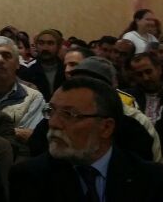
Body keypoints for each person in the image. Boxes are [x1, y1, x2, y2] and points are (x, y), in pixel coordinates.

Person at [9, 76, 163, 202]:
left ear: (106, 127)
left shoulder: (150, 179)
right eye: (51, 111)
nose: (54, 123)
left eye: (69, 114)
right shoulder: (28, 178)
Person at [0, 36, 45, 141]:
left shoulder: (33, 97)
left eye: (6, 55)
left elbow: (32, 137)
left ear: (17, 64)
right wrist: (16, 131)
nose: (0, 60)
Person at [21, 29, 67, 99]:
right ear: (36, 46)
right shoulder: (28, 73)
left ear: (58, 46)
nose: (45, 48)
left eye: (50, 43)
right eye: (41, 43)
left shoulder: (66, 71)